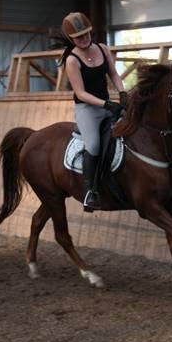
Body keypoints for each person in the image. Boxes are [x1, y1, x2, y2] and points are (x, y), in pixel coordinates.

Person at [61, 12, 127, 212]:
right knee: (94, 144)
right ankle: (90, 191)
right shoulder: (72, 61)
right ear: (71, 39)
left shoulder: (102, 49)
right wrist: (106, 105)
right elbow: (80, 93)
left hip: (106, 104)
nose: (84, 39)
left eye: (87, 34)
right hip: (87, 109)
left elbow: (113, 74)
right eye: (79, 37)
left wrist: (123, 93)